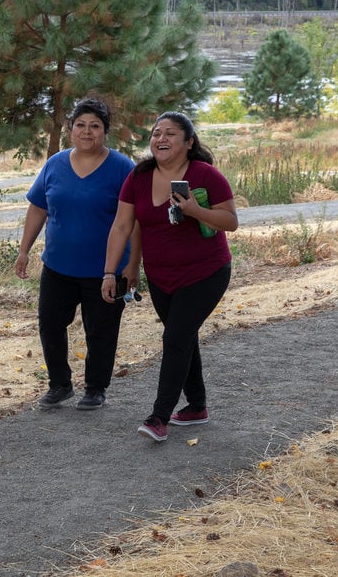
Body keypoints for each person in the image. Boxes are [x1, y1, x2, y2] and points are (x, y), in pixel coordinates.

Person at [101, 111, 238, 442]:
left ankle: (159, 416)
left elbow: (230, 221)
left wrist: (194, 211)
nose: (160, 139)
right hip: (161, 277)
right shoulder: (138, 177)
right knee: (183, 336)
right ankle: (197, 407)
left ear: (189, 143)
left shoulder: (206, 175)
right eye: (156, 133)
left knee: (175, 338)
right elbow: (124, 226)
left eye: (170, 134)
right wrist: (115, 270)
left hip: (206, 272)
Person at [15, 98, 140, 410]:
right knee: (50, 323)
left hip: (107, 270)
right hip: (58, 266)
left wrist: (133, 266)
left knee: (101, 330)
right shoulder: (55, 164)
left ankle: (96, 388)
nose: (87, 132)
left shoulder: (123, 168)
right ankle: (59, 384)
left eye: (95, 126)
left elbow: (135, 222)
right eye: (81, 125)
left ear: (105, 132)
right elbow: (38, 207)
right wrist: (24, 251)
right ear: (70, 129)